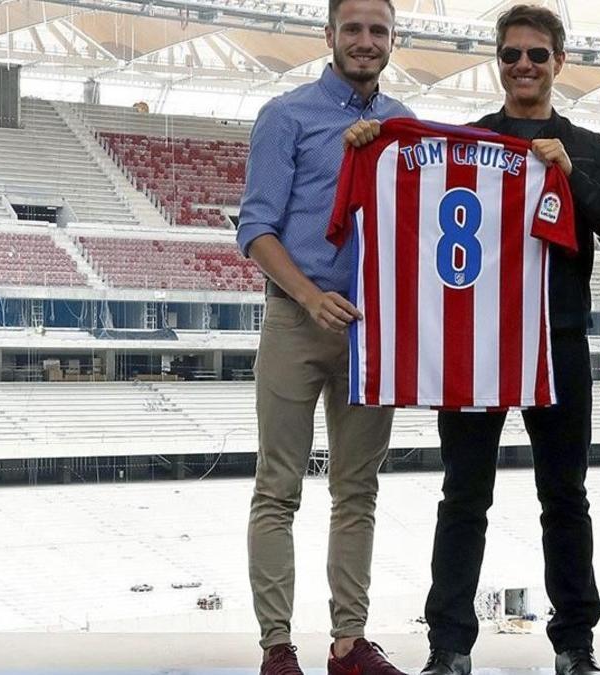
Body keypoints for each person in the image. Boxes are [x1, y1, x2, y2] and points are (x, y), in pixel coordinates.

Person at [349, 6, 600, 675]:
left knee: (565, 496)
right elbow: (404, 188)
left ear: (560, 61)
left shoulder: (587, 144)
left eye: (537, 55)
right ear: (497, 63)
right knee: (463, 494)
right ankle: (449, 645)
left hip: (558, 341)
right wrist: (372, 141)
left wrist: (572, 173)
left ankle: (575, 644)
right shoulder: (465, 140)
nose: (524, 66)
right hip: (475, 341)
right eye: (511, 56)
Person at [235, 2, 413, 675]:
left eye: (378, 31)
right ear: (330, 35)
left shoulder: (404, 127)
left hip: (374, 331)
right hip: (295, 319)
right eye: (354, 29)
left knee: (357, 488)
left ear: (393, 40)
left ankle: (349, 641)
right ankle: (277, 647)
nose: (365, 42)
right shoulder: (287, 116)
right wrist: (310, 297)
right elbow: (255, 228)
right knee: (277, 486)